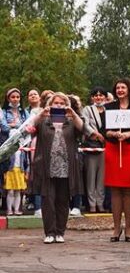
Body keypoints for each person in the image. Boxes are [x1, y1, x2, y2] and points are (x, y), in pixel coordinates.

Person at [30, 93, 86, 243]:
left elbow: (84, 129)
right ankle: (49, 232)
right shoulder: (44, 120)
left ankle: (60, 232)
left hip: (66, 167)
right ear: (50, 104)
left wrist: (73, 114)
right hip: (46, 166)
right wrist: (41, 114)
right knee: (47, 200)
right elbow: (29, 127)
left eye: (62, 103)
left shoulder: (71, 121)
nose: (59, 105)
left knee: (62, 200)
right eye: (56, 103)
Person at [104, 78, 130, 242]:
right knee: (115, 189)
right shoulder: (109, 107)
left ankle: (128, 228)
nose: (120, 90)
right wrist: (114, 134)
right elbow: (104, 129)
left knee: (129, 190)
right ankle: (116, 228)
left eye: (123, 87)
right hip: (114, 149)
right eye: (117, 88)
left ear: (129, 89)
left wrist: (128, 134)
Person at [81, 87, 108, 213]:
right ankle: (92, 204)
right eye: (96, 95)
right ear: (92, 98)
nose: (98, 98)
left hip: (106, 147)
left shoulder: (109, 110)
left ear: (105, 97)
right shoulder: (87, 109)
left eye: (101, 95)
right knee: (91, 176)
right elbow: (84, 124)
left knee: (102, 178)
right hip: (92, 146)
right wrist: (96, 134)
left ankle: (100, 203)